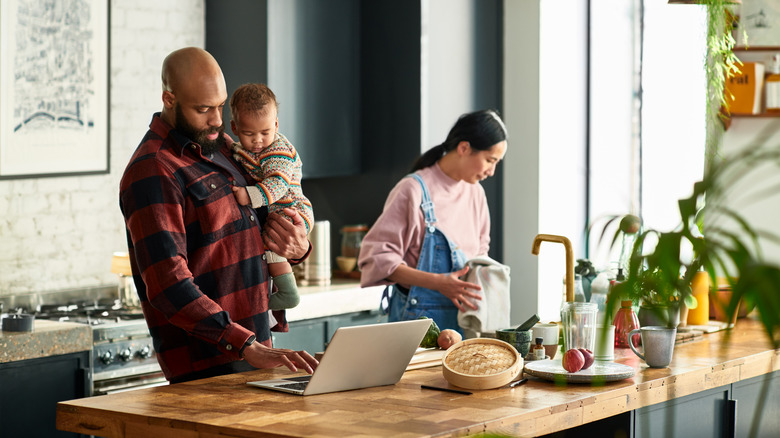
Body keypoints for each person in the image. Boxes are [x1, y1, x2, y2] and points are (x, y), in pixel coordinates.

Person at [119, 47, 318, 384]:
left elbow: (262, 220)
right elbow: (168, 284)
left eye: (220, 107)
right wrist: (245, 344)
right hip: (208, 365)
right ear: (169, 98)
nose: (216, 120)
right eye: (203, 109)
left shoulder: (224, 147)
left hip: (256, 350)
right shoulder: (153, 170)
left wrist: (297, 246)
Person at [358, 110, 508, 334]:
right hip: (415, 326)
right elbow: (376, 260)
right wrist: (438, 282)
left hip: (462, 327)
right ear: (464, 148)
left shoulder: (476, 194)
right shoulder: (413, 190)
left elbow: (480, 254)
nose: (492, 171)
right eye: (489, 160)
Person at [228, 83, 314, 311]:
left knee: (272, 246)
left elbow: (277, 184)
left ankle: (288, 293)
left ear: (276, 125)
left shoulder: (278, 151)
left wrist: (248, 196)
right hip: (278, 211)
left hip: (292, 210)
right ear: (235, 128)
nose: (258, 140)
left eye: (265, 132)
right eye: (249, 133)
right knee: (270, 246)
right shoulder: (242, 149)